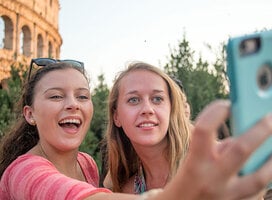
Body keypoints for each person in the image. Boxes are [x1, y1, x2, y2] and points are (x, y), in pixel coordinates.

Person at [0, 59, 272, 199]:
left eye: (82, 96)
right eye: (56, 96)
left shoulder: (88, 166)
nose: (72, 104)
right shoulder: (23, 171)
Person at [103, 61, 272, 198]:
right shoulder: (124, 190)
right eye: (133, 100)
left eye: (157, 98)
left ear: (172, 109)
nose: (147, 109)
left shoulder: (216, 168)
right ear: (116, 116)